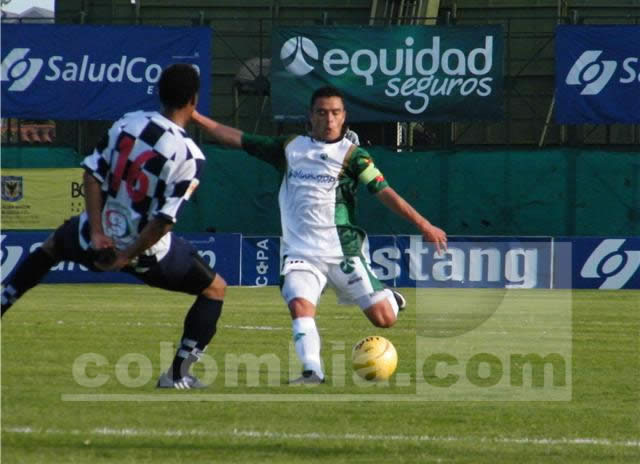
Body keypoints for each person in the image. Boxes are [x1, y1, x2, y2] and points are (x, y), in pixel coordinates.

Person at [191, 86, 447, 384]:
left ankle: (391, 297)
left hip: (343, 252)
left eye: (335, 113)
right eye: (322, 112)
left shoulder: (353, 156)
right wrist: (195, 116)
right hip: (300, 253)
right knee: (300, 305)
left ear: (344, 117)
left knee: (384, 319)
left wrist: (424, 224)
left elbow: (384, 192)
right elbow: (237, 138)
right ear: (310, 116)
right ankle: (313, 370)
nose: (329, 119)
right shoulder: (290, 148)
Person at [1, 63, 226, 390]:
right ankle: (177, 375)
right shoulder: (190, 156)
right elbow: (163, 222)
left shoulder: (129, 122)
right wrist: (126, 255)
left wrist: (95, 232)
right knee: (215, 289)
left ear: (159, 93)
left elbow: (92, 174)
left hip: (94, 235)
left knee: (49, 248)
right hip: (146, 253)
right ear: (194, 99)